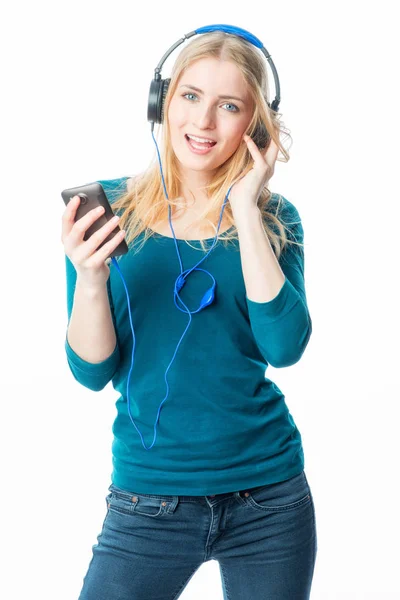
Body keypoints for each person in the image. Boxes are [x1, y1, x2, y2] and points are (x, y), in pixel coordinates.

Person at [62, 27, 317, 600]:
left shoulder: (277, 219)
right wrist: (91, 277)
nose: (203, 123)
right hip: (147, 501)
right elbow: (91, 372)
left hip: (269, 500)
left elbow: (285, 348)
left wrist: (246, 211)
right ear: (163, 100)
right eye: (190, 95)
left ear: (254, 125)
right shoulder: (106, 209)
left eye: (229, 106)